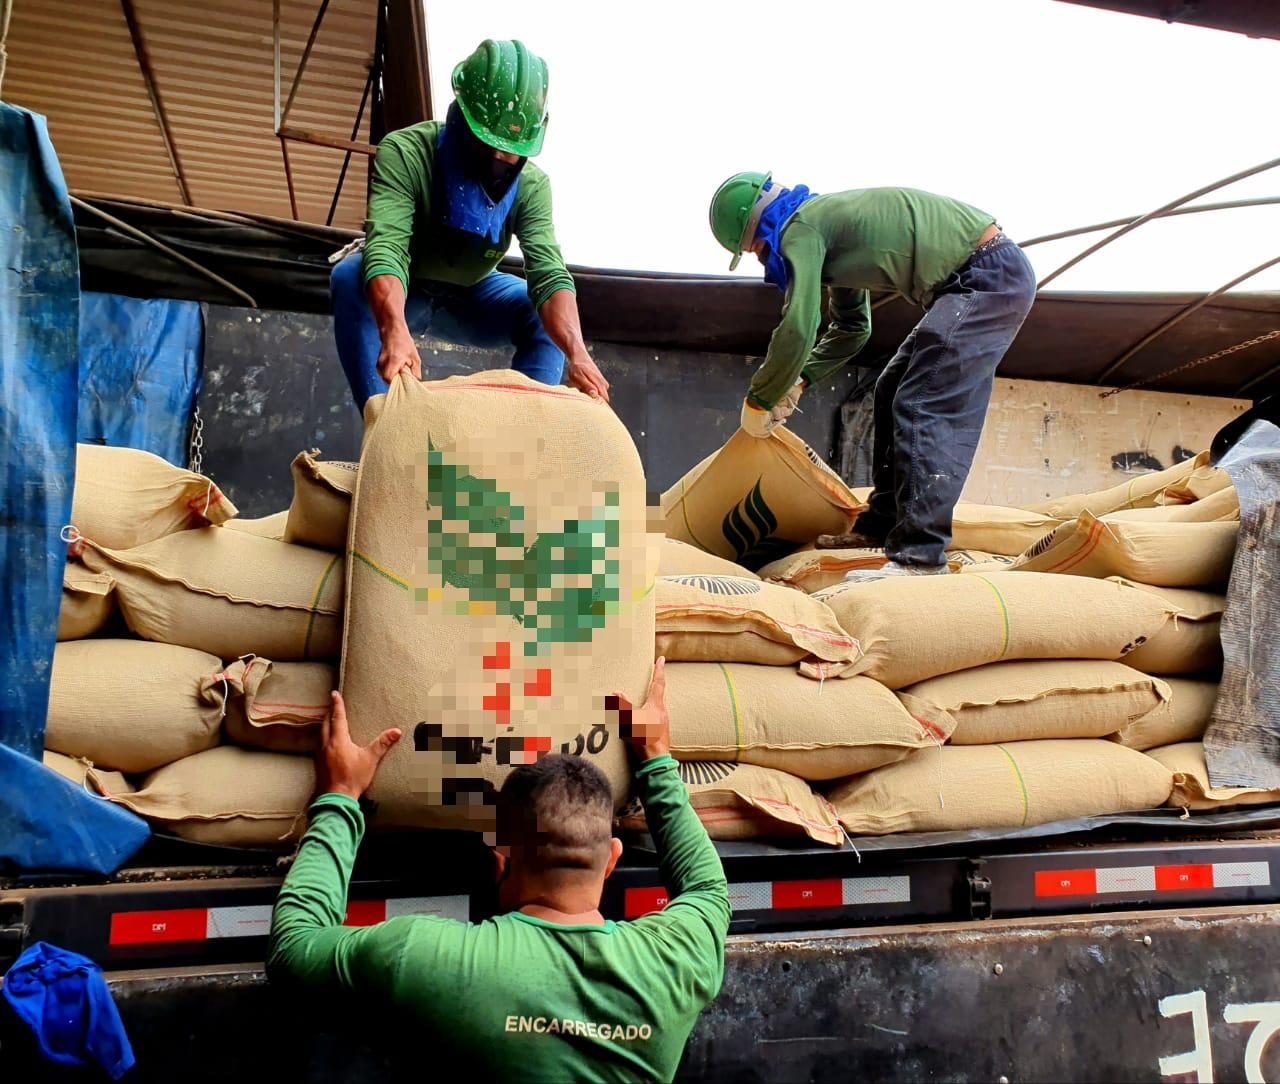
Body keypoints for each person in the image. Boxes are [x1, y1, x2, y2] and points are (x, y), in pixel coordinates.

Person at [267, 658, 730, 1082]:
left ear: (501, 858)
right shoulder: (680, 958)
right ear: (612, 858)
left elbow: (293, 948)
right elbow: (707, 887)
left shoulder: (428, 956)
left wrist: (340, 796)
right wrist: (655, 757)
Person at [708, 173, 1037, 576]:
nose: (762, 261)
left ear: (762, 226)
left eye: (755, 249)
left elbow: (799, 322)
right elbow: (852, 329)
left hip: (987, 276)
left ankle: (920, 556)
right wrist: (799, 380)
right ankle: (881, 526)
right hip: (974, 279)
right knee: (891, 387)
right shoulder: (829, 232)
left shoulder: (802, 227)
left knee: (923, 400)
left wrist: (762, 395)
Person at [330, 39, 610, 412]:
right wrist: (393, 327)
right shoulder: (405, 152)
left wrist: (577, 352)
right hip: (407, 289)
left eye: (510, 150)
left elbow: (549, 273)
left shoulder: (533, 187)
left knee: (540, 310)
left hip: (474, 295)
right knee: (349, 275)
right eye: (486, 142)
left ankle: (522, 435)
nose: (498, 157)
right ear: (460, 116)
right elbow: (387, 247)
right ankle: (382, 425)